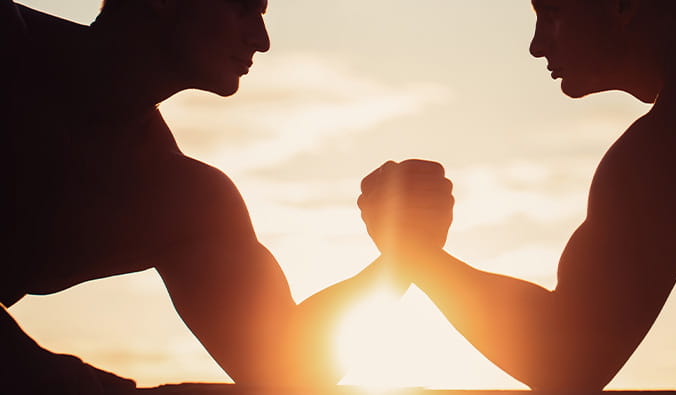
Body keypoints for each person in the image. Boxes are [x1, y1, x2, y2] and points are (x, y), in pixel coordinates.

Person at [357, 0, 676, 391]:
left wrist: (415, 253)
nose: (536, 45)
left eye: (553, 11)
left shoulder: (668, 153)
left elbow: (568, 365)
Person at [1, 0, 404, 392]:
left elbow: (284, 368)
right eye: (243, 6)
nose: (261, 40)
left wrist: (405, 258)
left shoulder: (181, 200)